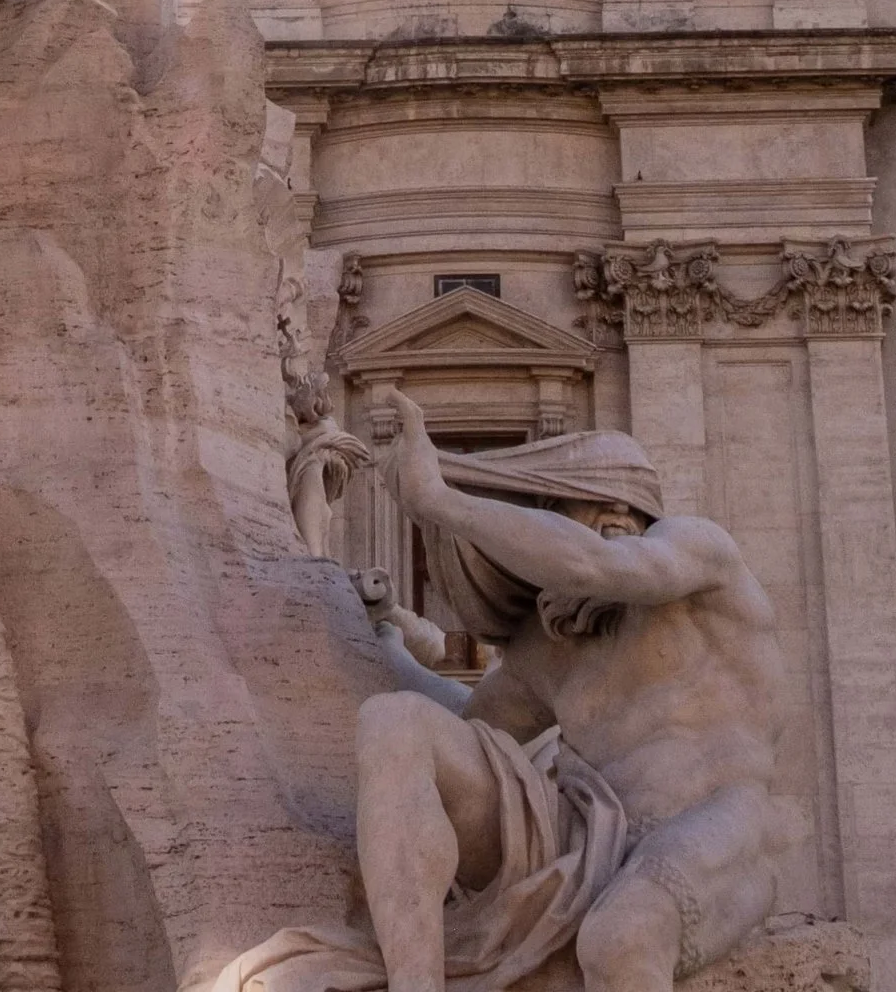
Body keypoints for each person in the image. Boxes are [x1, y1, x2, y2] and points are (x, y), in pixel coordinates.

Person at [216, 390, 794, 992]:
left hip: (717, 823)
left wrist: (442, 502)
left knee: (623, 937)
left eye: (543, 518)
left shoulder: (698, 554)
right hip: (591, 834)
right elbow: (471, 725)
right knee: (396, 723)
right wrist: (383, 633)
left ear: (614, 517)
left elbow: (597, 567)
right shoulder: (544, 649)